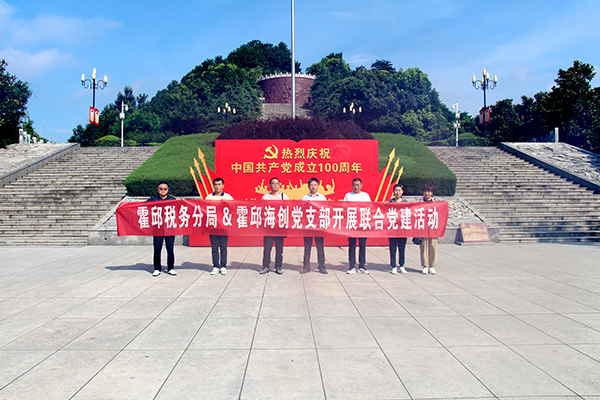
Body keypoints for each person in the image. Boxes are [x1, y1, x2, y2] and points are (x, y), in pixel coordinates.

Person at [260, 177, 289, 275]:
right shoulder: (265, 197)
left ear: (279, 185)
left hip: (279, 227)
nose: (275, 185)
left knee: (279, 249)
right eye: (273, 183)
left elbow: (287, 210)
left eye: (277, 183)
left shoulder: (284, 197)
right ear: (269, 185)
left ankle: (278, 267)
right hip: (269, 227)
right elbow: (262, 211)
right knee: (267, 248)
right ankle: (265, 266)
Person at [206, 177, 234, 275]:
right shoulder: (209, 197)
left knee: (223, 248)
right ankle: (215, 266)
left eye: (219, 184)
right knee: (214, 248)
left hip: (223, 226)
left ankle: (223, 266)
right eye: (216, 185)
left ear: (223, 186)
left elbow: (233, 208)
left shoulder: (228, 197)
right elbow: (204, 209)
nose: (217, 186)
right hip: (213, 226)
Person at [147, 182, 176, 277]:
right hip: (157, 228)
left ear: (168, 190)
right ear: (157, 189)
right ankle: (157, 268)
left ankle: (170, 268)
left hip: (169, 228)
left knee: (170, 249)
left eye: (165, 189)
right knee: (157, 249)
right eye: (161, 189)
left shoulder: (172, 200)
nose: (163, 191)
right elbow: (141, 207)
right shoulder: (152, 200)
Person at [344, 178, 371, 274]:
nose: (356, 187)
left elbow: (370, 208)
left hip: (362, 224)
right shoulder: (348, 195)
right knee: (352, 245)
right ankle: (352, 266)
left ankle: (362, 266)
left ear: (361, 185)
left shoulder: (365, 195)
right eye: (354, 185)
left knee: (362, 245)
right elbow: (344, 208)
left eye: (358, 185)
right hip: (352, 224)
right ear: (352, 186)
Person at [301, 177, 327, 274]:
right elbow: (302, 211)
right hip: (308, 225)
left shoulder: (322, 198)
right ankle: (306, 267)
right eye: (311, 185)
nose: (313, 187)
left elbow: (326, 211)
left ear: (318, 186)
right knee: (307, 247)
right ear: (308, 186)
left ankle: (322, 267)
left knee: (320, 247)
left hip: (318, 226)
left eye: (315, 185)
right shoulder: (304, 198)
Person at [388, 184, 408, 274]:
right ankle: (393, 265)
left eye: (399, 190)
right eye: (396, 190)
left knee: (402, 248)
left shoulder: (405, 202)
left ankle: (402, 265)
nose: (397, 192)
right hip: (392, 229)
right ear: (393, 192)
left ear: (402, 192)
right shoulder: (390, 202)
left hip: (402, 229)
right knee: (392, 248)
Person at [420, 183, 438, 275]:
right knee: (424, 247)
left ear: (432, 193)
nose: (427, 193)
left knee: (433, 246)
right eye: (425, 191)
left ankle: (432, 266)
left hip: (433, 228)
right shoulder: (419, 203)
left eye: (428, 191)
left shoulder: (436, 204)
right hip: (423, 228)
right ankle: (425, 265)